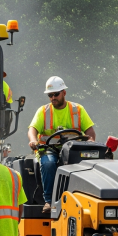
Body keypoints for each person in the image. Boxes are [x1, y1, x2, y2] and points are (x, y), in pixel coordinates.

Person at [28, 76, 95, 214]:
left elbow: (90, 131)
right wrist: (33, 140)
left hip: (73, 149)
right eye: (50, 95)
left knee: (88, 164)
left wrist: (91, 142)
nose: (53, 97)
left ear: (64, 92)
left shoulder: (77, 109)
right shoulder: (43, 111)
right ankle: (49, 201)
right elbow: (32, 129)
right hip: (49, 149)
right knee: (48, 163)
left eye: (56, 94)